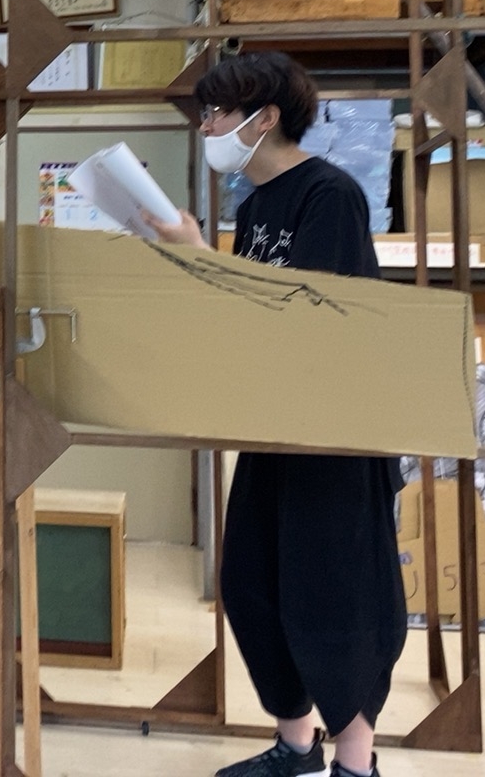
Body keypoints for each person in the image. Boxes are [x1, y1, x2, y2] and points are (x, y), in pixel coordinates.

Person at [149, 51, 404, 777]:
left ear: (264, 119)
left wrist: (202, 259)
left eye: (217, 113)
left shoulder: (330, 195)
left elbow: (308, 318)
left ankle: (356, 763)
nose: (207, 126)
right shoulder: (257, 205)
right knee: (254, 586)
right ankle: (296, 748)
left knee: (334, 598)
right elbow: (250, 318)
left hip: (336, 437)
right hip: (275, 427)